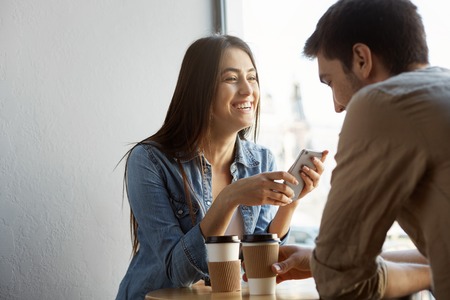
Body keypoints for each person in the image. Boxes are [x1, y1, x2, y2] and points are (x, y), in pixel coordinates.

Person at [115, 34, 328, 299]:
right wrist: (229, 197)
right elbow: (178, 272)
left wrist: (291, 201)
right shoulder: (149, 161)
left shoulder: (260, 160)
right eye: (231, 78)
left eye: (252, 77)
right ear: (199, 90)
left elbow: (254, 267)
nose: (248, 90)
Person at [266, 0, 450, 299]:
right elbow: (436, 256)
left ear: (362, 59)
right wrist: (318, 261)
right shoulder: (439, 91)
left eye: (329, 82)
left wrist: (326, 266)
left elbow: (340, 283)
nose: (337, 106)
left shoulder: (385, 102)